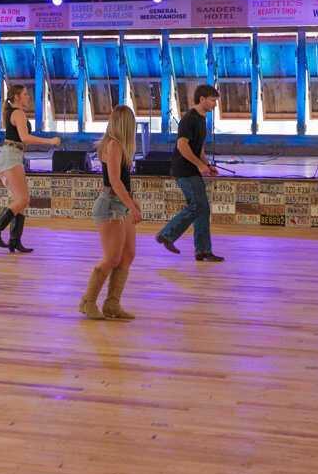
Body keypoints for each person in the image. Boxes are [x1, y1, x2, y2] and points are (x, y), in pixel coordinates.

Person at [80, 105, 142, 320]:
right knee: (112, 257)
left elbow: (122, 181)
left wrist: (131, 202)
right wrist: (131, 206)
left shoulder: (119, 146)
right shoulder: (113, 145)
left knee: (128, 254)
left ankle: (112, 304)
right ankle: (88, 301)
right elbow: (115, 181)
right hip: (110, 206)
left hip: (120, 204)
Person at [0, 85, 61, 253]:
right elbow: (25, 137)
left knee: (21, 200)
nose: (28, 97)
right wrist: (50, 141)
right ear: (17, 97)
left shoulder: (14, 112)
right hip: (11, 157)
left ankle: (14, 241)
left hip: (13, 155)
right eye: (25, 94)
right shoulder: (18, 113)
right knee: (23, 199)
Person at [155, 84, 224, 263]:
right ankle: (167, 234)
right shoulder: (189, 119)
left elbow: (199, 149)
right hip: (184, 170)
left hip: (193, 169)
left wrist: (207, 165)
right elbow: (182, 146)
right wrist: (199, 165)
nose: (215, 104)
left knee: (202, 209)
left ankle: (203, 251)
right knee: (197, 206)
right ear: (202, 99)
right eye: (213, 100)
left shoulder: (202, 120)